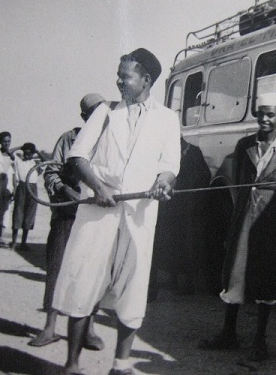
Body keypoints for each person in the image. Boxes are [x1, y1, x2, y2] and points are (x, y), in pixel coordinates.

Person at [51, 48, 181, 375]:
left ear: (146, 80)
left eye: (125, 76)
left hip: (138, 214)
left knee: (133, 288)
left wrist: (163, 183)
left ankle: (121, 365)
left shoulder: (167, 118)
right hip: (98, 212)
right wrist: (98, 187)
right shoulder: (106, 111)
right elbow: (77, 157)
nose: (119, 81)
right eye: (119, 75)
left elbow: (168, 166)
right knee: (83, 282)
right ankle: (72, 365)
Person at [198, 92, 276, 362]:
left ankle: (259, 341)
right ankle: (228, 334)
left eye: (271, 114)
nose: (265, 119)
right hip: (242, 220)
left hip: (269, 226)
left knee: (266, 282)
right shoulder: (244, 145)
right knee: (235, 275)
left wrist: (275, 218)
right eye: (261, 113)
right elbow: (236, 179)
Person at [29, 93, 105, 349]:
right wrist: (67, 191)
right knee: (57, 269)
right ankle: (50, 327)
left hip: (95, 217)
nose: (99, 115)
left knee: (93, 273)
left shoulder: (109, 140)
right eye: (93, 111)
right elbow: (51, 172)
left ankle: (88, 329)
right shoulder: (69, 138)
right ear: (84, 116)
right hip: (67, 215)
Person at [148, 138, 211, 301]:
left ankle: (187, 283)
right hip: (165, 207)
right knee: (160, 245)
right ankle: (155, 286)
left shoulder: (193, 152)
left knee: (184, 246)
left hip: (186, 208)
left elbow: (205, 177)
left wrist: (194, 196)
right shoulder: (162, 153)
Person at [10, 142, 42, 250]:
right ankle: (14, 241)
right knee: (18, 213)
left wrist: (37, 151)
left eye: (29, 154)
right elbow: (10, 152)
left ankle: (23, 242)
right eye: (25, 153)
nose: (27, 156)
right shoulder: (19, 161)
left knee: (29, 215)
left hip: (32, 189)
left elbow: (47, 162)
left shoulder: (36, 163)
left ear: (33, 154)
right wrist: (21, 147)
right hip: (22, 188)